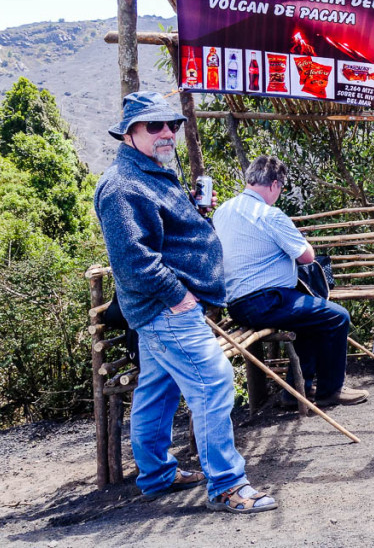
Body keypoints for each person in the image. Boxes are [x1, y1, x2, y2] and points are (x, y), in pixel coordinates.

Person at [94, 91, 276, 514]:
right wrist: (179, 297)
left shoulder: (150, 172)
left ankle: (157, 475)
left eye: (171, 125)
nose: (166, 133)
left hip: (164, 308)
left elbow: (163, 233)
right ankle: (228, 486)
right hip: (166, 308)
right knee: (213, 384)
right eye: (154, 126)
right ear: (129, 132)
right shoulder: (121, 185)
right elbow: (134, 259)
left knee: (157, 390)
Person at [213, 155, 369, 408]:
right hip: (266, 302)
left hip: (236, 305)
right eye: (281, 189)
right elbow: (307, 256)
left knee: (309, 318)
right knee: (337, 316)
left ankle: (297, 390)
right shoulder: (269, 215)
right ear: (274, 185)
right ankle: (331, 390)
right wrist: (301, 239)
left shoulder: (222, 212)